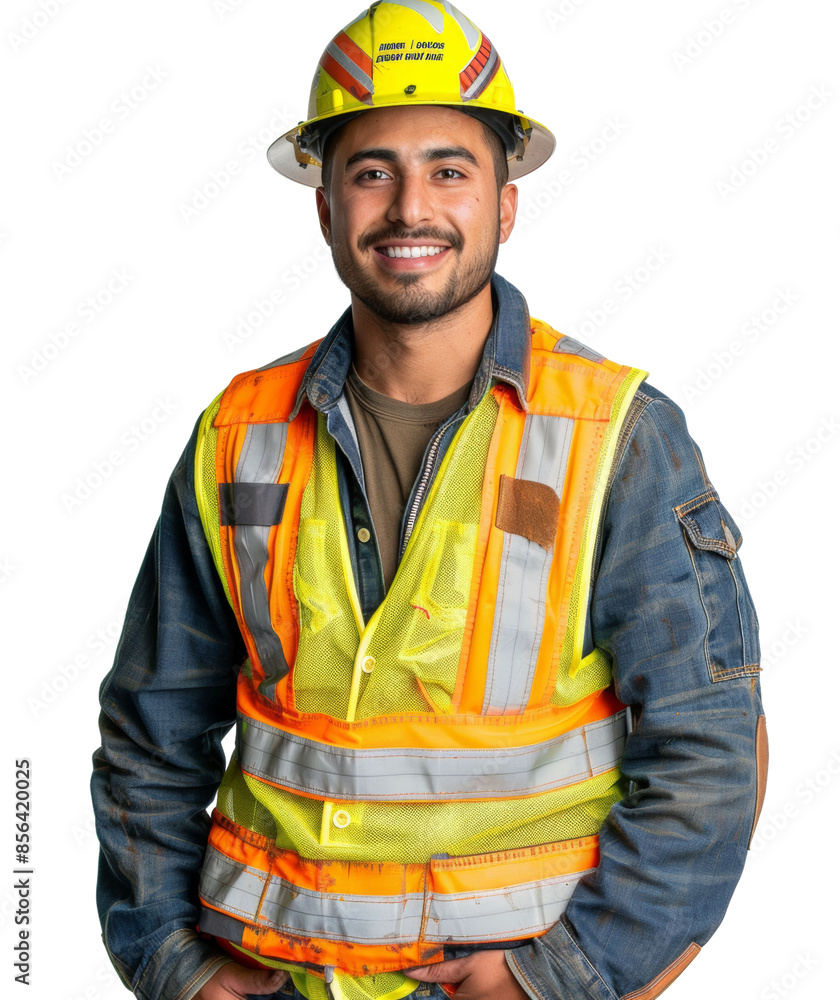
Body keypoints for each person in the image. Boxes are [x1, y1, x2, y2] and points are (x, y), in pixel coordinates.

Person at [91, 4, 768, 1000]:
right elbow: (149, 737)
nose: (412, 207)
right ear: (325, 205)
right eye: (372, 171)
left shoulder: (618, 436)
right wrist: (175, 967)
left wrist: (566, 978)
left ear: (505, 203)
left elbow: (712, 754)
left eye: (450, 169)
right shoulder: (239, 435)